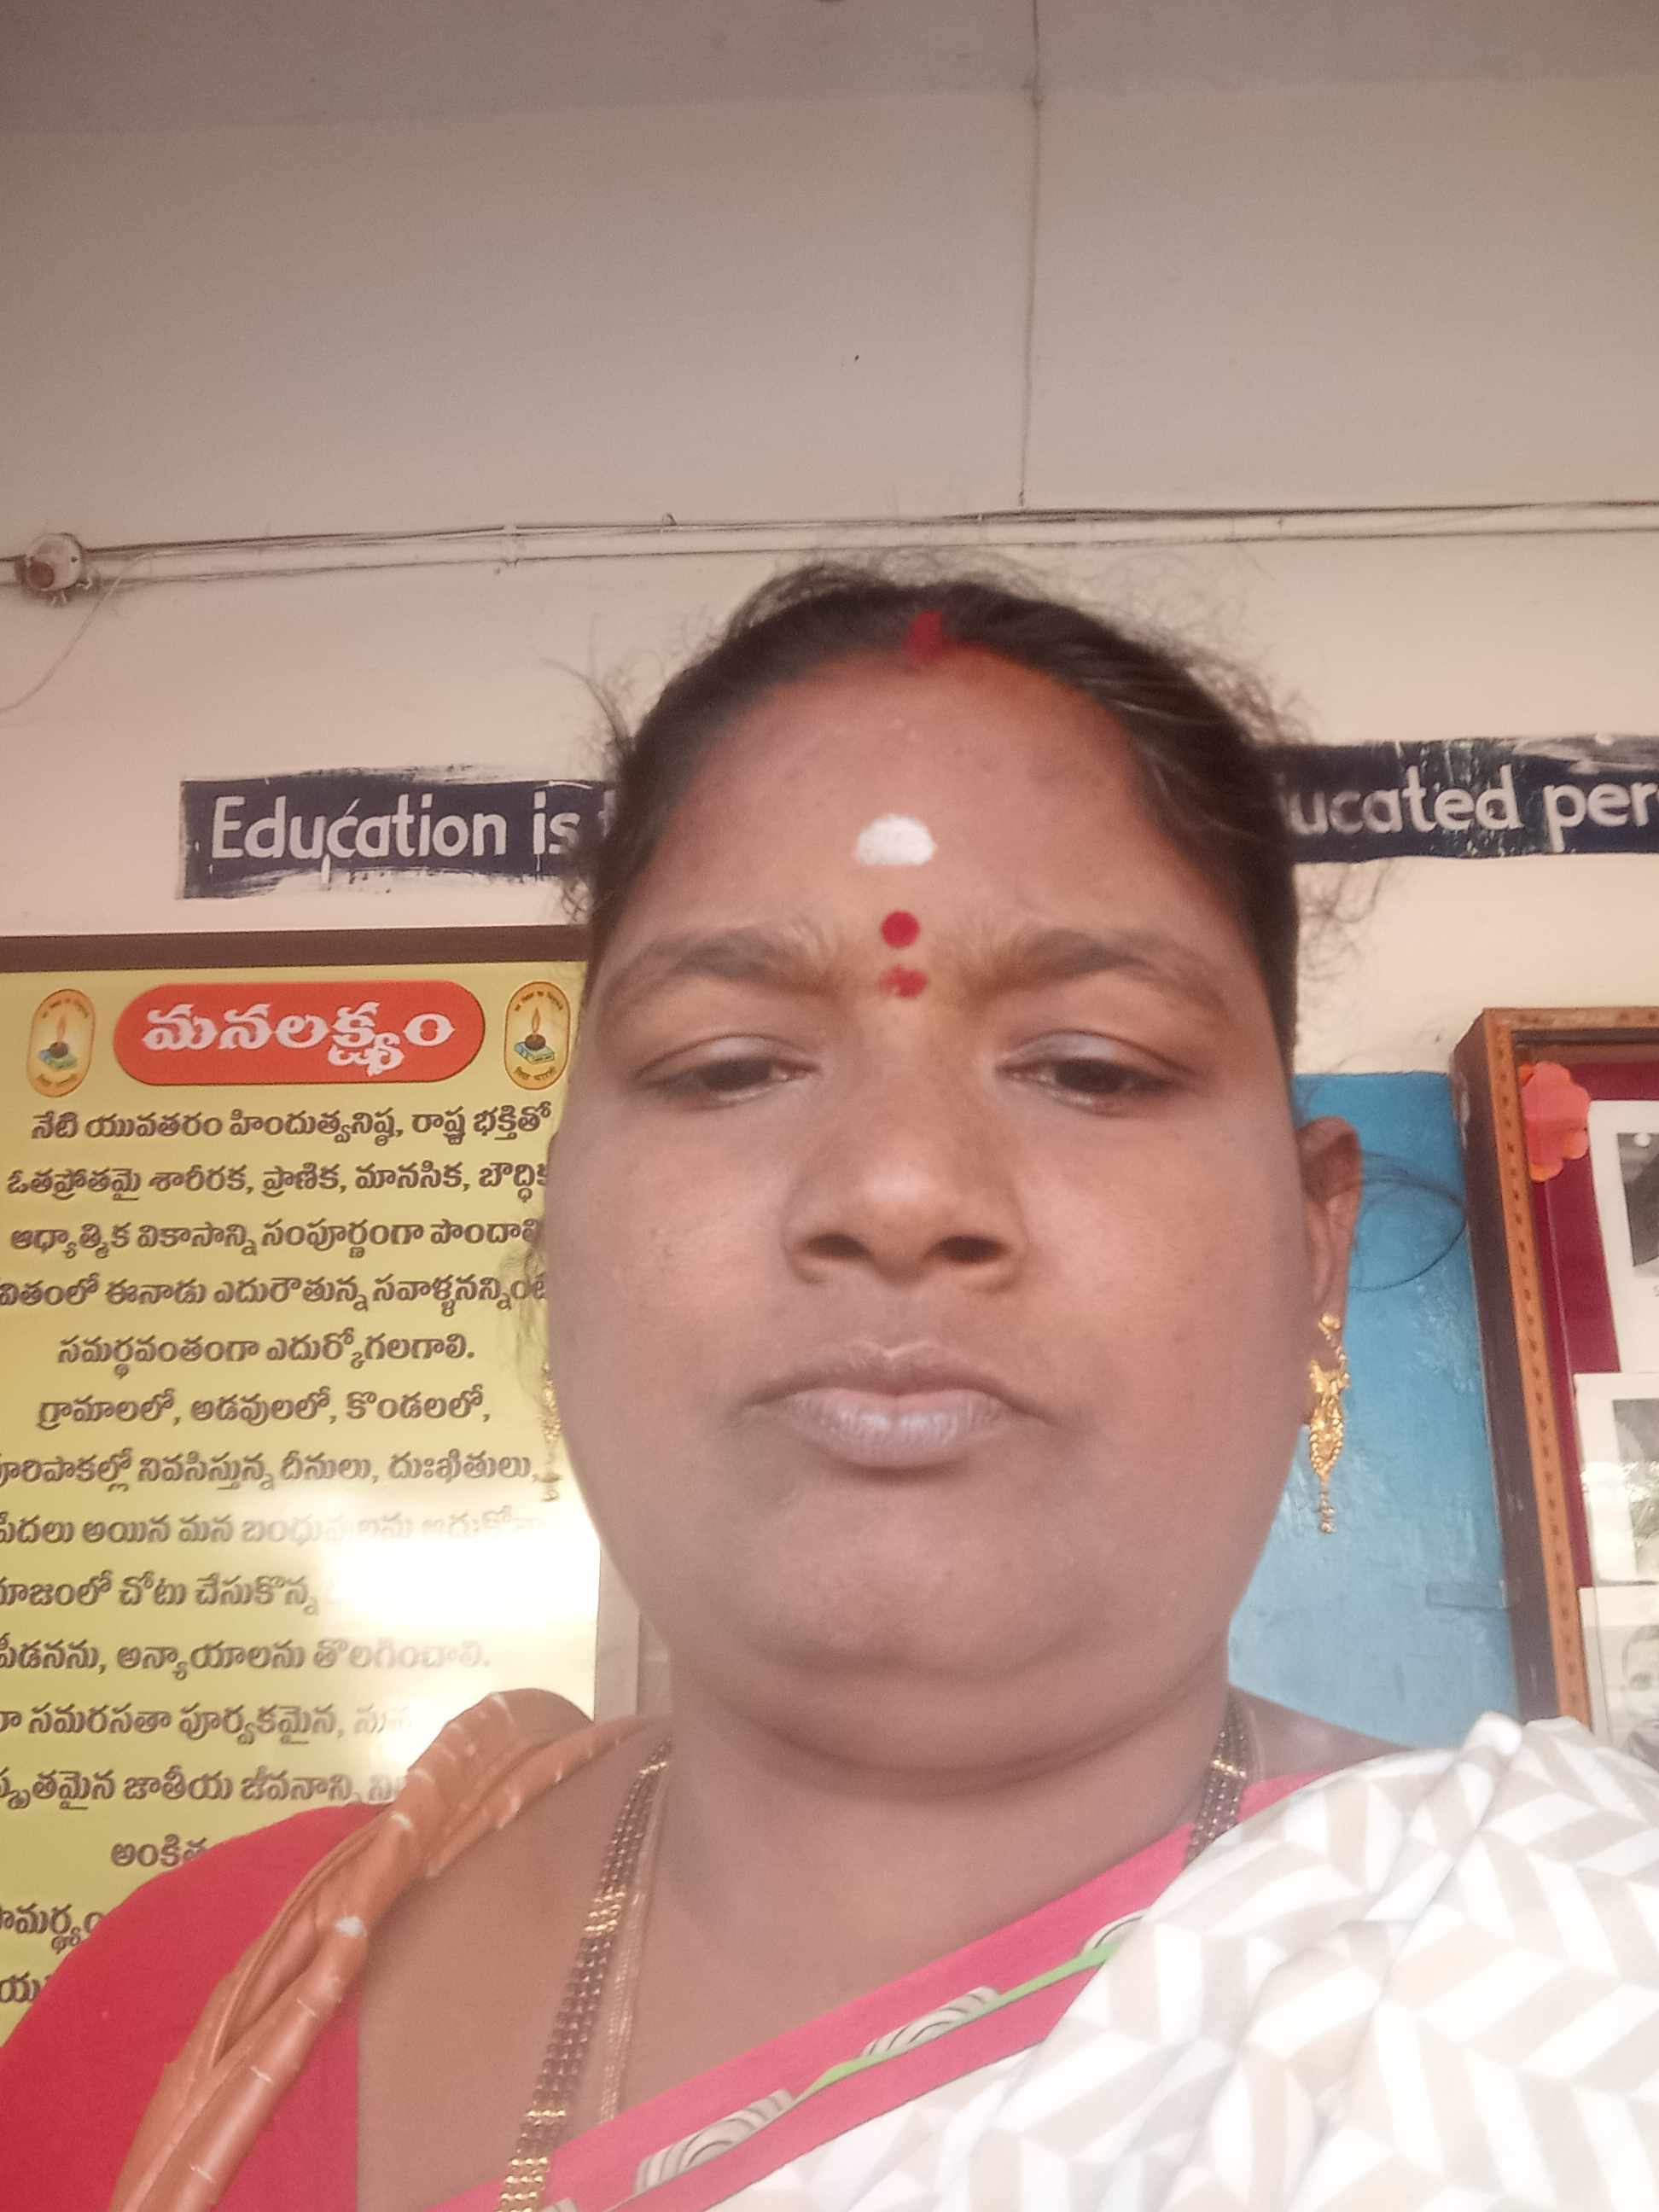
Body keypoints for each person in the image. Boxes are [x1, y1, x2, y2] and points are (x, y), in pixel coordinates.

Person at [6, 566, 1658, 2211]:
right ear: (557, 1217)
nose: (898, 1187)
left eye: (1092, 1067)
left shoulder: (1573, 1977)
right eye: (726, 1066)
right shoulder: (200, 2005)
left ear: (1314, 1245)